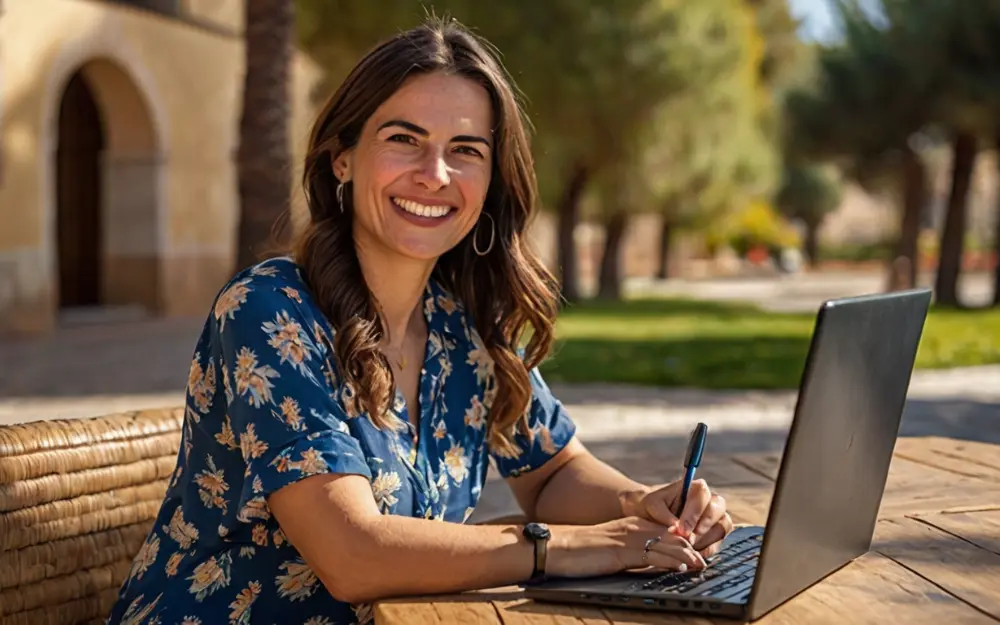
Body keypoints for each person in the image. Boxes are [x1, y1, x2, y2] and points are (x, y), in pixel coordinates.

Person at [107, 17, 732, 625]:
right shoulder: (270, 310)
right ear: (341, 159)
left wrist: (639, 506)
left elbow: (554, 473)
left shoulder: (467, 326)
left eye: (465, 150)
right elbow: (353, 555)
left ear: (490, 180)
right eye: (404, 139)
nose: (434, 175)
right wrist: (577, 548)